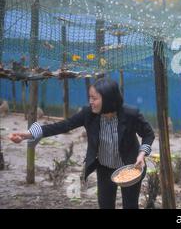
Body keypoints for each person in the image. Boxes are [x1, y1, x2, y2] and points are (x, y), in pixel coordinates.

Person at [8, 78, 155, 209]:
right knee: (105, 205)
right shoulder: (88, 114)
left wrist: (142, 154)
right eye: (89, 98)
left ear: (109, 99)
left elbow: (148, 134)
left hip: (130, 167)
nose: (90, 102)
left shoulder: (130, 114)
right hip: (104, 168)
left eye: (94, 98)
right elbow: (63, 125)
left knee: (130, 205)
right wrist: (28, 134)